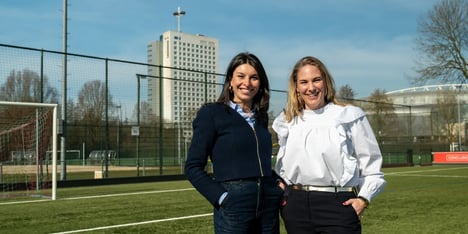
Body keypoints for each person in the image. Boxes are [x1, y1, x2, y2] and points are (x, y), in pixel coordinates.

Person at [273, 56, 386, 234]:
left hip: (337, 206)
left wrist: (363, 199)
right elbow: (283, 169)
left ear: (326, 82)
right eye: (304, 82)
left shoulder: (349, 115)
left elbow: (371, 165)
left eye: (316, 80)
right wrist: (285, 195)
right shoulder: (287, 121)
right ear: (296, 88)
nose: (311, 88)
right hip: (296, 208)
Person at [184, 52, 283, 234]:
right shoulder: (211, 113)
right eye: (241, 76)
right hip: (234, 204)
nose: (247, 82)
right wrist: (222, 197)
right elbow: (192, 167)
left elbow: (260, 163)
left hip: (268, 204)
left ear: (260, 84)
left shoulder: (261, 118)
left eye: (254, 77)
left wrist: (277, 183)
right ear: (230, 81)